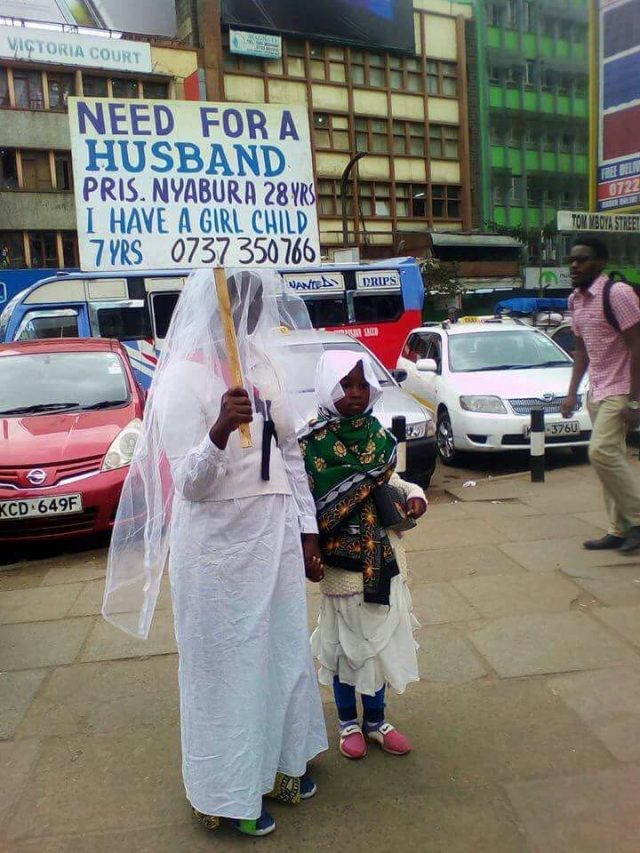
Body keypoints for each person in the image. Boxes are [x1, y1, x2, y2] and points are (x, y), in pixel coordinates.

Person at [102, 268, 328, 837]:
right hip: (217, 554)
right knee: (226, 671)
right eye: (237, 297)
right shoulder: (181, 378)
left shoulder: (263, 366)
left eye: (255, 298)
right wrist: (221, 430)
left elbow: (291, 458)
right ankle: (225, 795)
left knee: (279, 655)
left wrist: (308, 530)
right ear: (212, 303)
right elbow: (191, 485)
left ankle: (279, 766)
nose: (248, 309)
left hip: (272, 540)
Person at [299, 350, 427, 760]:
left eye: (362, 385)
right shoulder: (310, 443)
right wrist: (309, 546)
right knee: (344, 648)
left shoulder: (377, 433)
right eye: (345, 385)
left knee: (381, 644)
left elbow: (395, 481)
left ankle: (376, 721)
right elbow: (303, 502)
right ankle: (347, 723)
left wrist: (416, 496)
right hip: (341, 566)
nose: (356, 393)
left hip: (385, 559)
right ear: (326, 387)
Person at [561, 238, 640, 554]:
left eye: (583, 259)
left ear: (601, 263)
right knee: (613, 458)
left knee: (601, 452)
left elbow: (637, 345)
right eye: (572, 260)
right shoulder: (575, 300)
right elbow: (581, 349)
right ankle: (618, 529)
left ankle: (636, 519)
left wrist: (635, 400)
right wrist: (571, 395)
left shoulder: (617, 294)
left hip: (621, 388)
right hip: (598, 389)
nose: (575, 265)